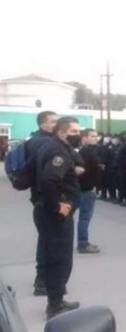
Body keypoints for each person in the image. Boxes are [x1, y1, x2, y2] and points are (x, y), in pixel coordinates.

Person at [34, 116, 82, 319]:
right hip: (55, 213)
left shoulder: (50, 146)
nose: (77, 135)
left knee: (51, 253)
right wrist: (58, 205)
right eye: (73, 132)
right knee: (60, 258)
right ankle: (55, 304)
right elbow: (50, 179)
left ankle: (56, 299)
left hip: (44, 210)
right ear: (61, 132)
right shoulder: (58, 151)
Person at [26, 111, 58, 296]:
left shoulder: (36, 140)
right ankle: (42, 281)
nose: (56, 124)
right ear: (43, 124)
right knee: (48, 241)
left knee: (47, 239)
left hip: (40, 197)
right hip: (45, 199)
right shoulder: (44, 143)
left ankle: (45, 279)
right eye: (53, 122)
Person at [76, 129, 102, 254]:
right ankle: (83, 243)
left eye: (96, 136)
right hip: (86, 188)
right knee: (85, 217)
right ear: (84, 138)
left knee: (84, 217)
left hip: (86, 187)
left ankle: (82, 242)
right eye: (92, 136)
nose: (95, 138)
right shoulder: (87, 152)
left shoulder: (88, 151)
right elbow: (85, 172)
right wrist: (91, 186)